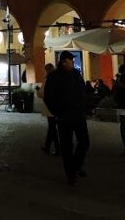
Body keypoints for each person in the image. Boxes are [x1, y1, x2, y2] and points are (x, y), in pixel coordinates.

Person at [44, 51, 90, 186]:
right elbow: (49, 97)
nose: (73, 63)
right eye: (71, 61)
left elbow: (82, 90)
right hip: (65, 117)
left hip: (79, 115)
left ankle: (76, 165)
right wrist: (58, 112)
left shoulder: (75, 74)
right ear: (64, 62)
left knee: (85, 142)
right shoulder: (54, 77)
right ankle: (71, 174)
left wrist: (83, 105)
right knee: (66, 146)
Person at [36, 63, 60, 155]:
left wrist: (38, 90)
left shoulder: (48, 79)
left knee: (52, 127)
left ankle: (58, 148)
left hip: (49, 105)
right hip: (57, 105)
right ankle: (47, 146)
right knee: (52, 127)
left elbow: (42, 94)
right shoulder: (58, 79)